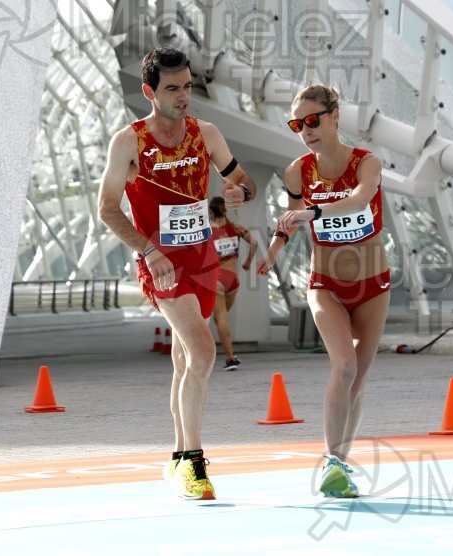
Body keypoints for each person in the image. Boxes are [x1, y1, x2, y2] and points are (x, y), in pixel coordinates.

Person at [98, 47, 257, 499]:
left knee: (186, 359)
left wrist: (239, 191)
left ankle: (174, 457)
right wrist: (149, 250)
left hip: (202, 258)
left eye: (188, 86)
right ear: (149, 92)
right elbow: (107, 209)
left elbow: (245, 181)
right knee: (204, 353)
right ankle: (194, 463)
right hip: (162, 263)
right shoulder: (129, 142)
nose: (184, 96)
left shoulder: (206, 134)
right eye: (173, 89)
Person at [257, 84, 390, 497]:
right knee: (344, 367)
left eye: (313, 120)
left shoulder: (367, 163)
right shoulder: (298, 171)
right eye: (298, 124)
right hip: (325, 284)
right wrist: (274, 250)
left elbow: (358, 200)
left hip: (372, 285)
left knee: (360, 380)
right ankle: (332, 462)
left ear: (335, 116)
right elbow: (292, 219)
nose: (305, 130)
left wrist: (313, 211)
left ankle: (343, 462)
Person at [209, 196, 258, 370]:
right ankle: (226, 353)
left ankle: (230, 358)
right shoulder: (236, 228)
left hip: (216, 279)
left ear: (210, 211)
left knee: (220, 318)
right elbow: (254, 243)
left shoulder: (207, 232)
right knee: (222, 316)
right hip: (233, 280)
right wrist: (247, 263)